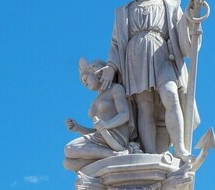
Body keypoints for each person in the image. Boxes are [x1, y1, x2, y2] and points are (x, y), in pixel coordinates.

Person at [101, 0, 198, 161]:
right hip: (134, 58)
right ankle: (150, 153)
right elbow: (116, 44)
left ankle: (179, 148)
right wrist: (111, 66)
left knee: (170, 95)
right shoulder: (124, 11)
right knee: (144, 106)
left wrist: (191, 14)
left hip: (163, 54)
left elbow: (182, 31)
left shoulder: (169, 5)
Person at [64, 58, 134, 172]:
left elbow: (125, 114)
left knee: (69, 149)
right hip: (101, 137)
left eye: (85, 79)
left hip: (116, 137)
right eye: (82, 83)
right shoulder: (95, 100)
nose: (84, 83)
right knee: (68, 163)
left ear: (97, 72)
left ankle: (116, 155)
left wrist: (107, 124)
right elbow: (98, 130)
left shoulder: (115, 88)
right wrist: (78, 128)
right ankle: (111, 156)